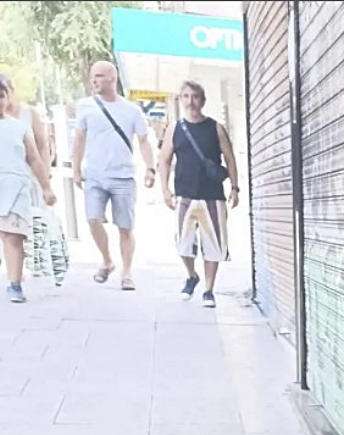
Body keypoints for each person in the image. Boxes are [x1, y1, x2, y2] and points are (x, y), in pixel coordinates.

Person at [71, 60, 156, 290]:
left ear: (112, 78)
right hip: (95, 175)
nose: (94, 81)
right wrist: (76, 169)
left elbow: (144, 140)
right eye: (92, 77)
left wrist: (150, 167)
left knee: (125, 227)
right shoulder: (85, 106)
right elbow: (79, 139)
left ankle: (127, 272)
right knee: (92, 219)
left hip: (123, 176)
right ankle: (107, 260)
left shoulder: (131, 110)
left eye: (99, 76)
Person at [158, 80, 240, 309]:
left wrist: (234, 187)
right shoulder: (175, 128)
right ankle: (192, 275)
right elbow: (164, 160)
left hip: (212, 195)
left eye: (194, 96)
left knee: (214, 244)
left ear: (202, 100)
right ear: (180, 100)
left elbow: (230, 158)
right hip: (184, 194)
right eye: (185, 96)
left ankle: (208, 290)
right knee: (183, 244)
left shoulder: (215, 128)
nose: (190, 101)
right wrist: (165, 189)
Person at [0, 74, 67, 287]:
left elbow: (36, 157)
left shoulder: (20, 126)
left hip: (17, 187)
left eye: (1, 95)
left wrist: (46, 185)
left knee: (13, 236)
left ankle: (15, 282)